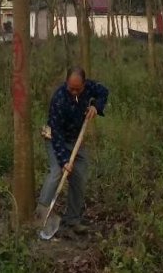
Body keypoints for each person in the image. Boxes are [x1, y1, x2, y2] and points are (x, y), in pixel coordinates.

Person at [36, 66, 109, 235]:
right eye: (71, 88)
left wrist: (96, 107)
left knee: (79, 176)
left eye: (78, 89)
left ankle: (72, 220)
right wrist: (64, 161)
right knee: (56, 172)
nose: (74, 92)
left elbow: (104, 91)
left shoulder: (90, 87)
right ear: (66, 83)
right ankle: (40, 216)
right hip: (54, 139)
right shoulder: (59, 99)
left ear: (84, 84)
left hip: (76, 140)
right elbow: (57, 134)